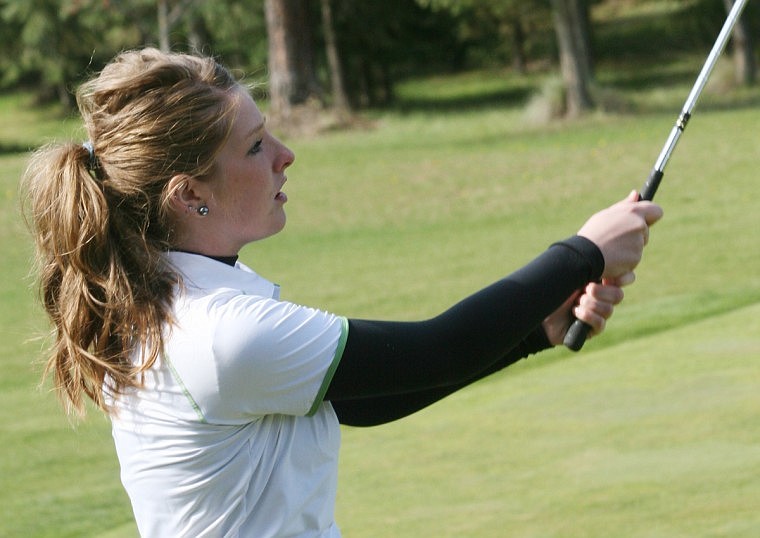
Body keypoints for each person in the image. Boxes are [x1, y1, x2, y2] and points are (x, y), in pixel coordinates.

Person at [22, 48, 663, 538]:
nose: (286, 154)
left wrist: (532, 333)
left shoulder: (169, 301)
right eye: (254, 146)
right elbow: (435, 350)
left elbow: (356, 399)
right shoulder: (218, 333)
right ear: (190, 194)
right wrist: (583, 252)